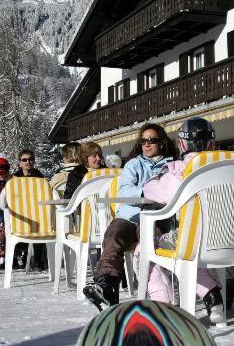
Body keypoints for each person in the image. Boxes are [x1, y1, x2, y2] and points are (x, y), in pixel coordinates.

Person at [138, 118, 225, 321]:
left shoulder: (182, 170)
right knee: (189, 253)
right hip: (229, 240)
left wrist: (164, 174)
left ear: (182, 143)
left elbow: (151, 190)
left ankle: (165, 306)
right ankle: (213, 294)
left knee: (144, 249)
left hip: (194, 241)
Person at [83, 123, 176, 309]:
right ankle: (106, 286)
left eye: (152, 140)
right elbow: (124, 190)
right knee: (113, 235)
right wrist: (150, 192)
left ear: (162, 142)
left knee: (149, 244)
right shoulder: (134, 164)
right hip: (129, 215)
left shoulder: (172, 165)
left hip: (156, 218)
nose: (147, 144)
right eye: (143, 141)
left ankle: (162, 297)